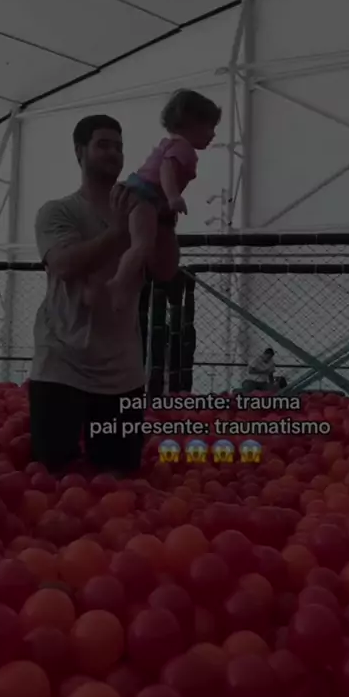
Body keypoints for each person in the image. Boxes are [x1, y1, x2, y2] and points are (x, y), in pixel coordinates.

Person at [28, 114, 177, 475]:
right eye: (103, 145)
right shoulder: (58, 211)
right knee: (51, 475)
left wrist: (164, 219)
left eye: (119, 147)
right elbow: (64, 264)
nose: (113, 153)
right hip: (62, 364)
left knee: (119, 478)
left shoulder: (141, 212)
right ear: (80, 151)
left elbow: (165, 270)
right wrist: (120, 231)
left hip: (122, 373)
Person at [106, 89, 221, 309]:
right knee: (142, 245)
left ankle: (121, 282)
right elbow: (166, 169)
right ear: (190, 124)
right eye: (210, 127)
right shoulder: (184, 148)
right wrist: (173, 196)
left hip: (138, 193)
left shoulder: (170, 143)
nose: (213, 135)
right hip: (144, 197)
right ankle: (118, 284)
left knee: (139, 244)